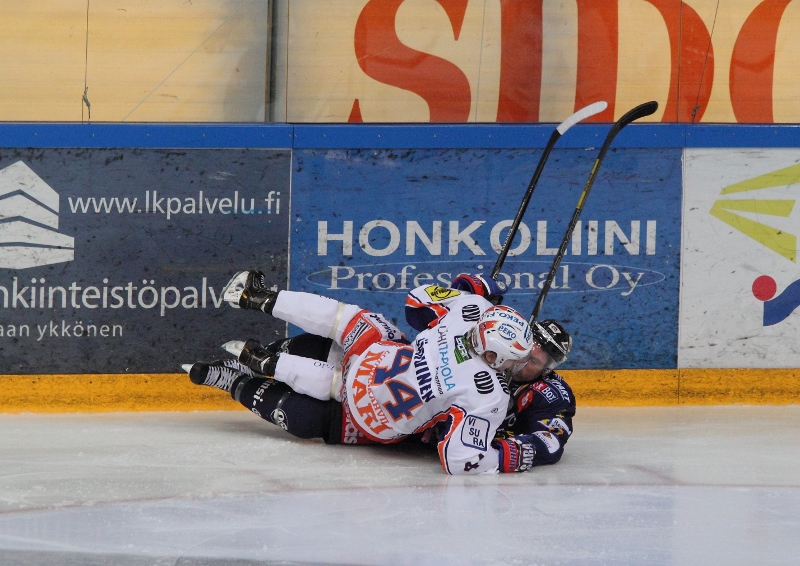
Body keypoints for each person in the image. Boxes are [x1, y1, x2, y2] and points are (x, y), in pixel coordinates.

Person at [184, 270, 572, 473]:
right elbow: (461, 459)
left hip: (377, 393)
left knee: (308, 417)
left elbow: (418, 301)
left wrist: (467, 293)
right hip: (381, 381)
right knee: (346, 327)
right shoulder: (489, 392)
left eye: (540, 361)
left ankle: (239, 373)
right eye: (527, 353)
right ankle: (262, 349)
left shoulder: (476, 316)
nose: (529, 364)